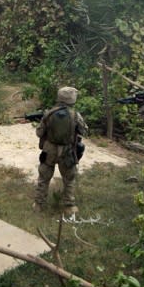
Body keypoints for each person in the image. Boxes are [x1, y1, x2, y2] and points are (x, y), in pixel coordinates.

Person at [33, 86, 88, 216]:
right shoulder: (75, 115)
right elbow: (84, 131)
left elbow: (39, 132)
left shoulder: (49, 113)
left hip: (49, 149)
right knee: (69, 178)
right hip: (67, 151)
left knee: (44, 177)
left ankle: (39, 204)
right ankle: (69, 206)